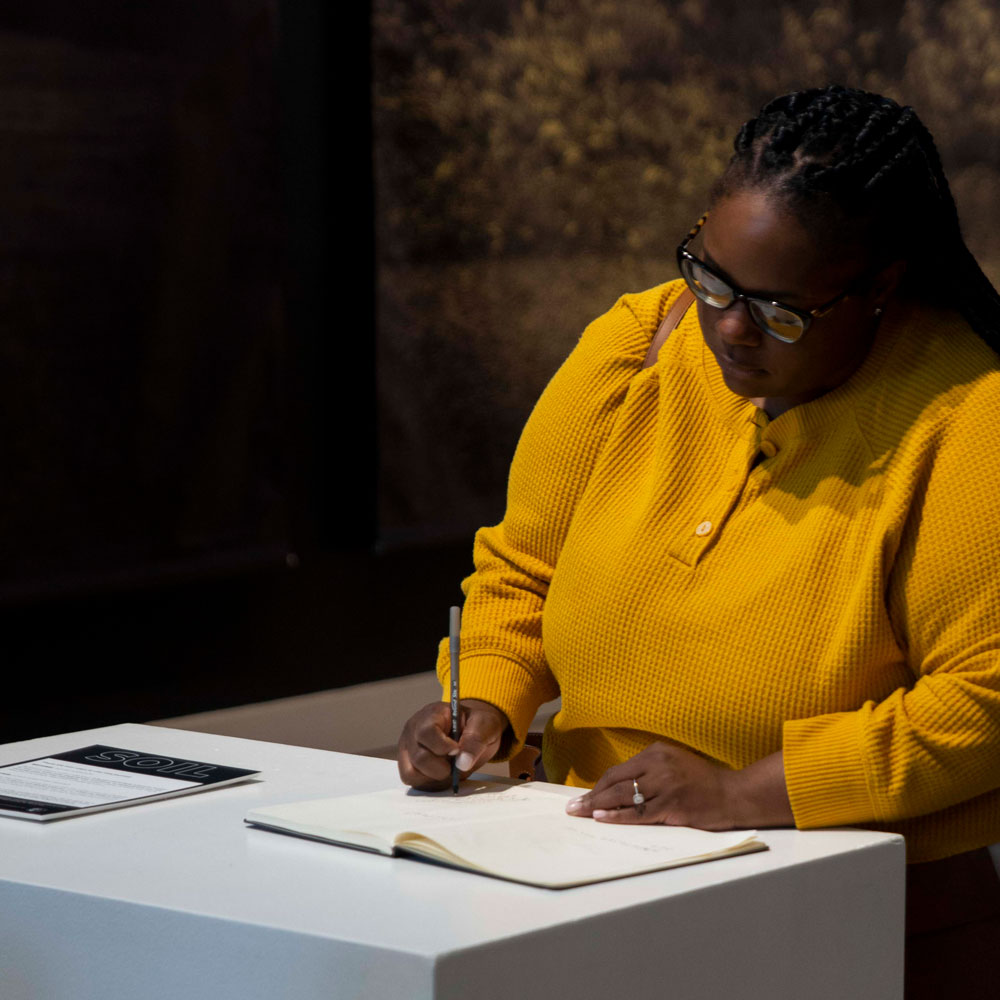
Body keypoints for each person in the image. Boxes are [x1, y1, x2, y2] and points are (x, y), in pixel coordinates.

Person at [397, 85, 1000, 993]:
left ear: (879, 286)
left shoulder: (967, 417)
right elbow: (522, 573)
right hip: (578, 880)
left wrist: (745, 794)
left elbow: (984, 701)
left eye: (779, 309)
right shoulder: (637, 345)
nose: (727, 326)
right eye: (710, 275)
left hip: (861, 919)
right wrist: (482, 701)